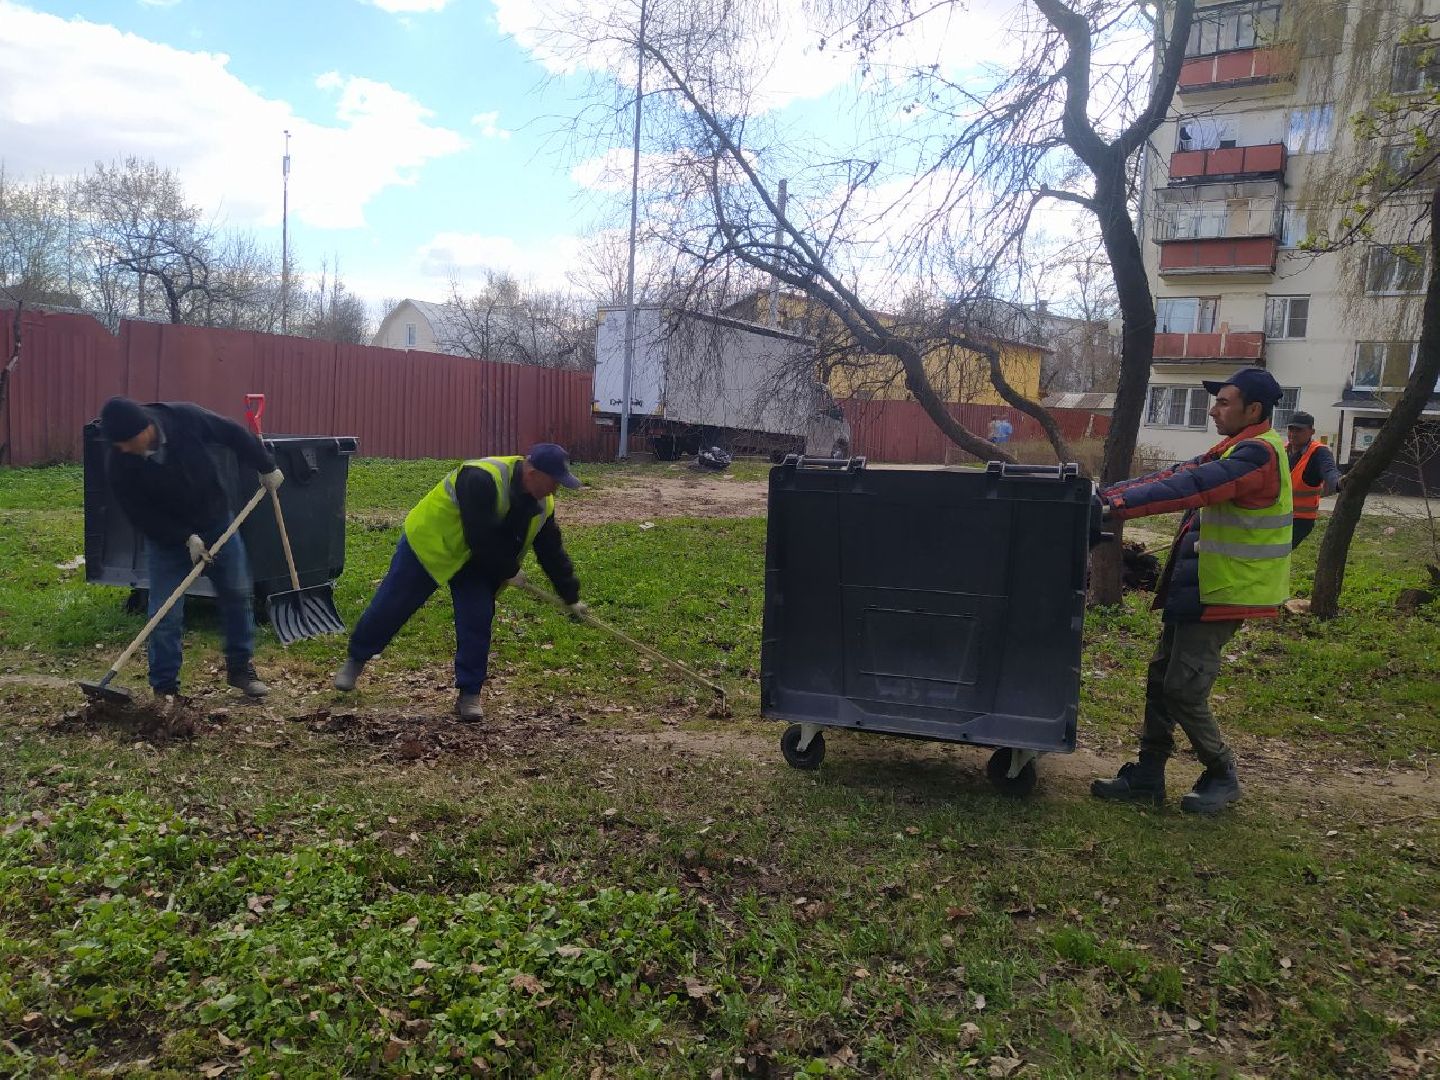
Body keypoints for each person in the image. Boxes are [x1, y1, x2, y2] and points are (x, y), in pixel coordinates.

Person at [1090, 368, 1293, 814]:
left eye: (1223, 402)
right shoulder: (1235, 448)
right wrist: (1105, 496)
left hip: (1226, 589)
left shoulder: (1256, 455)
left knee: (1183, 688)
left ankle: (1223, 773)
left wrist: (1114, 506)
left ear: (1252, 410)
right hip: (1200, 584)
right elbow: (1178, 473)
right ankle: (1147, 775)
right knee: (1162, 677)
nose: (1213, 409)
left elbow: (1191, 488)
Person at [333, 444, 585, 722]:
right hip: (431, 544)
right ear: (533, 472)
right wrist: (508, 569)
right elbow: (480, 534)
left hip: (476, 562)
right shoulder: (480, 476)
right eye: (553, 482)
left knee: (477, 619)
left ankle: (469, 693)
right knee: (393, 604)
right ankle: (356, 659)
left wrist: (570, 595)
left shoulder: (542, 504)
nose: (555, 490)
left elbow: (551, 551)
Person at [99, 396, 283, 699]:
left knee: (237, 593)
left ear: (144, 429)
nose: (120, 448)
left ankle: (240, 670)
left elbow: (232, 433)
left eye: (125, 441)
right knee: (165, 612)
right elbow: (139, 514)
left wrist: (266, 465)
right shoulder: (119, 462)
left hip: (215, 519)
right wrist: (184, 538)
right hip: (168, 539)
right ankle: (165, 688)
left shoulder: (184, 418)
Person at [1284, 411, 1342, 550]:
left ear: (1312, 431)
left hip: (1300, 520)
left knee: (1276, 554)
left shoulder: (1319, 452)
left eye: (1299, 429)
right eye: (1291, 429)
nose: (1293, 433)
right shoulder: (1283, 450)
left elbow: (1329, 471)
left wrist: (1339, 482)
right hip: (1278, 516)